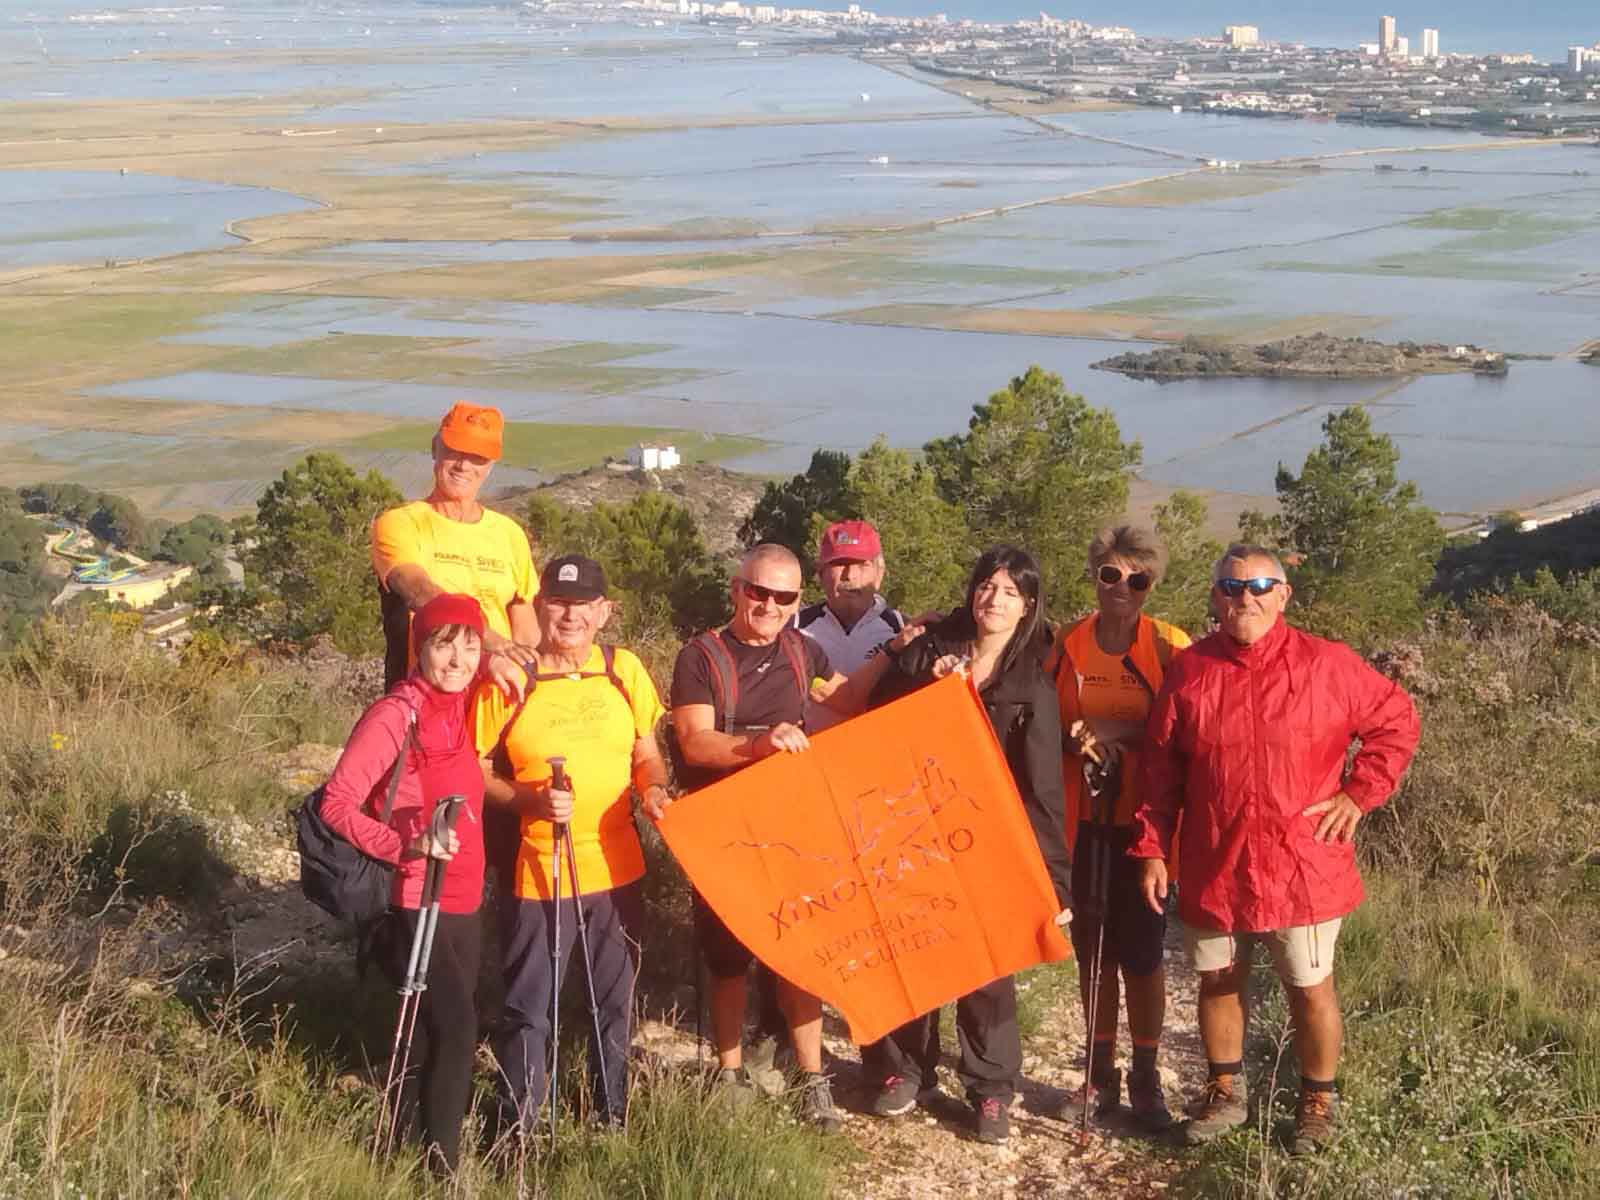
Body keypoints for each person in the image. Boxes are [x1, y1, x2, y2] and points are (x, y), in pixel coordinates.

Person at [1132, 543, 1420, 1155]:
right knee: (1218, 978)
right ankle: (1225, 1093)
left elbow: (1396, 719)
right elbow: (1159, 770)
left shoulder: (1328, 664)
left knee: (1310, 986)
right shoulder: (1191, 670)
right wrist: (1153, 847)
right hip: (1216, 856)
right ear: (1216, 597)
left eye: (1261, 586)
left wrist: (1358, 794)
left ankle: (1317, 1103)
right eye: (1233, 587)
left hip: (1303, 862)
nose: (1247, 598)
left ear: (1283, 595)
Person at [669, 542, 917, 1132]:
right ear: (737, 590)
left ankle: (812, 1079)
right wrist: (761, 744)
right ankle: (729, 1075)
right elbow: (695, 742)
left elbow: (847, 698)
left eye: (784, 597)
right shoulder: (700, 657)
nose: (770, 606)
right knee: (727, 957)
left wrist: (896, 652)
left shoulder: (803, 651)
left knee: (803, 951)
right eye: (759, 592)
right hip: (723, 826)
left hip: (789, 825)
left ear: (798, 600)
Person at [861, 545, 1073, 1146]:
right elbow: (876, 720)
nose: (994, 600)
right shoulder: (929, 651)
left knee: (987, 965)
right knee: (915, 950)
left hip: (991, 844)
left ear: (1028, 605)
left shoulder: (1033, 684)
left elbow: (1043, 792)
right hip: (916, 833)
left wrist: (1054, 880)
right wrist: (921, 684)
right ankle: (904, 1069)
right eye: (986, 586)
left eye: (1010, 592)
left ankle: (990, 1088)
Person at [474, 555, 670, 1132]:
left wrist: (654, 789)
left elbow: (646, 751)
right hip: (538, 869)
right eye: (558, 602)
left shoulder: (623, 670)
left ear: (604, 611)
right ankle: (522, 1124)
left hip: (617, 868)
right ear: (539, 608)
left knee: (614, 1003)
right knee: (530, 1006)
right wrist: (529, 801)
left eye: (583, 603)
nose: (570, 615)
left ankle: (612, 1115)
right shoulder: (514, 678)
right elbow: (474, 769)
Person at [320, 593, 489, 1175]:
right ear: (421, 647)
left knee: (426, 1030)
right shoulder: (395, 715)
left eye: (471, 646)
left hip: (464, 895)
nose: (459, 659)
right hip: (415, 895)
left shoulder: (464, 708)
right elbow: (337, 803)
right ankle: (444, 1171)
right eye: (445, 645)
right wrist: (404, 845)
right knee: (458, 1027)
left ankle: (397, 1154)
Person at [1051, 525, 1190, 1131]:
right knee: (1094, 951)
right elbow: (1044, 720)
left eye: (1138, 579)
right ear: (1094, 576)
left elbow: (1182, 728)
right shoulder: (1068, 644)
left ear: (1152, 586)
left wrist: (1116, 734)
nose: (1122, 587)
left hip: (1146, 824)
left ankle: (1146, 1075)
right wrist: (1074, 740)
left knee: (1144, 953)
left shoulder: (1169, 646)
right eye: (1110, 574)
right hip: (1084, 819)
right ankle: (1099, 1071)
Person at [370, 401, 539, 892]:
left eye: (478, 458)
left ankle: (490, 928)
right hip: (429, 710)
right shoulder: (402, 523)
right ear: (435, 449)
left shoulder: (508, 535)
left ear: (492, 466)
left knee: (499, 841)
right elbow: (419, 591)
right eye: (454, 452)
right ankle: (406, 930)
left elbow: (526, 623)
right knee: (423, 844)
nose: (464, 465)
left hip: (498, 709)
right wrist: (489, 650)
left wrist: (527, 668)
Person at [796, 519, 906, 734]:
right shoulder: (793, 628)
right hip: (810, 751)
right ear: (821, 573)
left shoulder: (903, 630)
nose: (850, 575)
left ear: (879, 573)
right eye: (840, 564)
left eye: (862, 564)